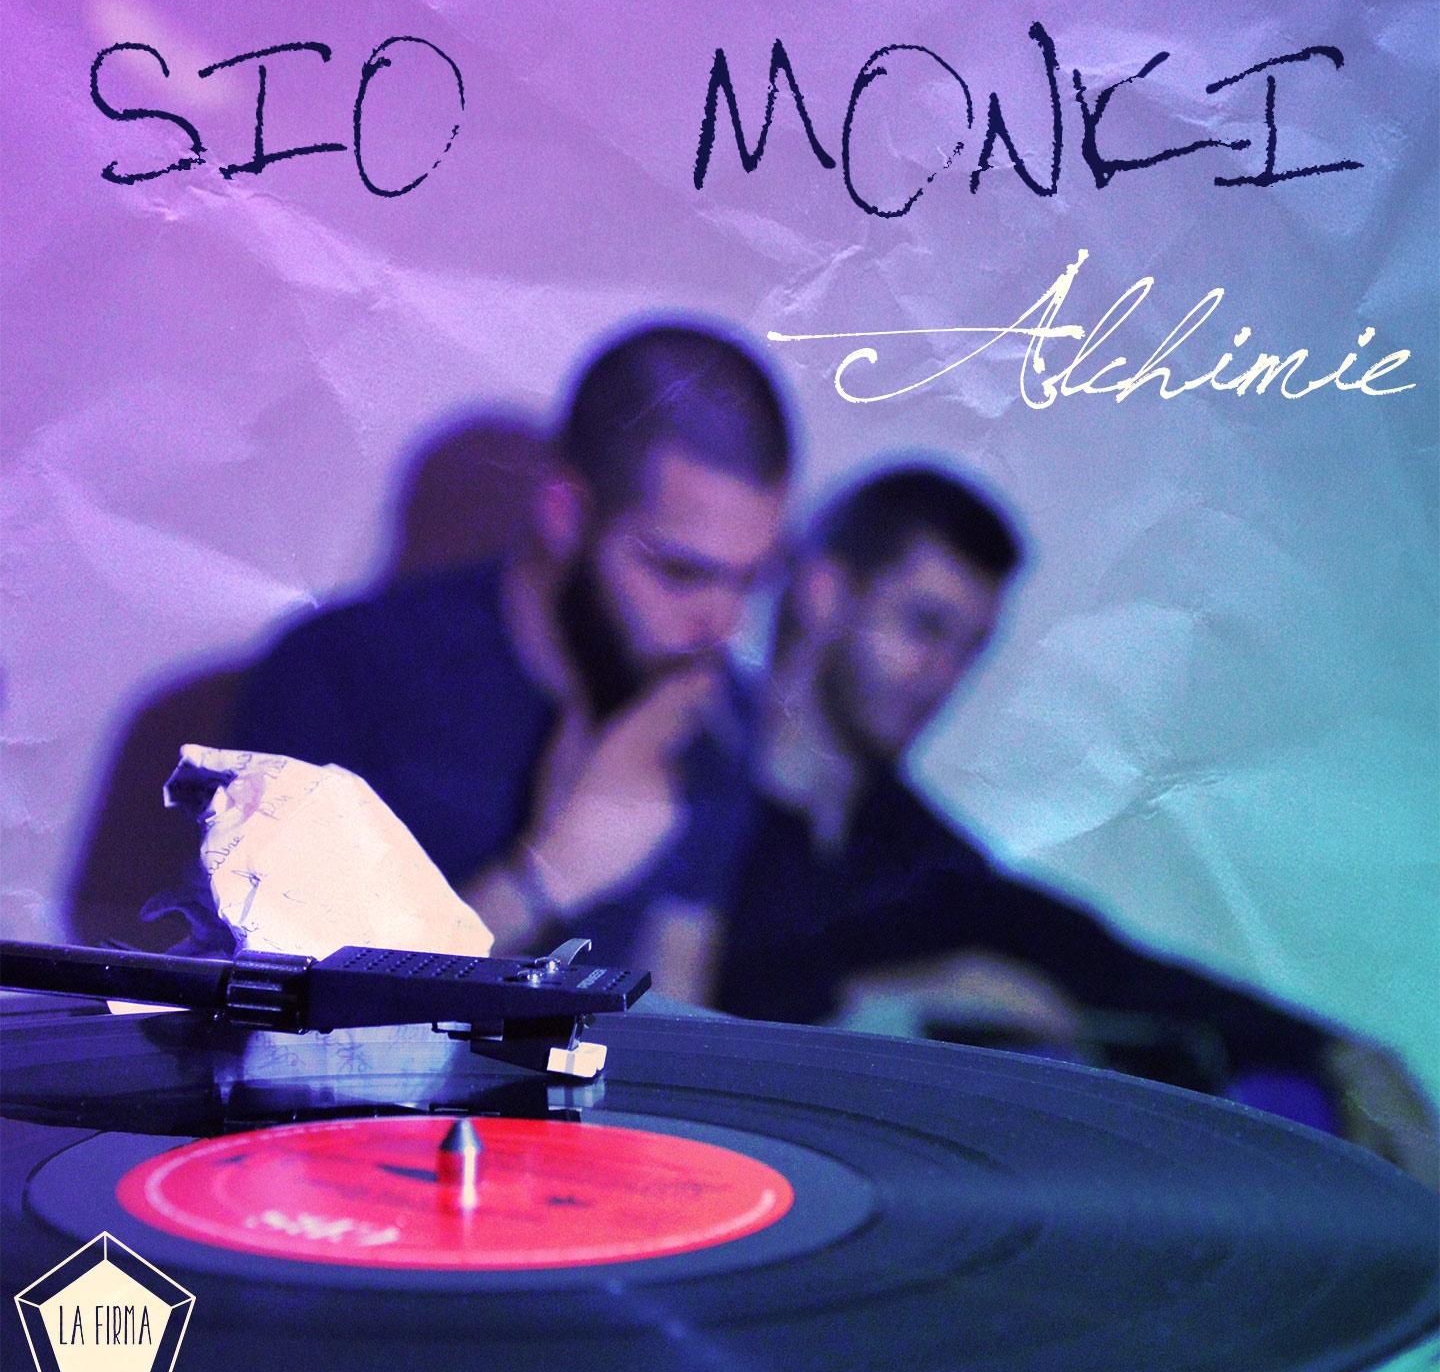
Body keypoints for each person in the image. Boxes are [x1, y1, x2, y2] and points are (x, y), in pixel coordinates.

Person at [713, 463, 1437, 1173]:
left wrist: (1340, 1052)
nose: (943, 677)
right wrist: (892, 996)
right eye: (924, 626)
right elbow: (683, 999)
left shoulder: (920, 856)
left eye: (969, 649)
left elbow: (1113, 967)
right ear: (825, 592)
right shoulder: (686, 782)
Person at [230, 320, 791, 989]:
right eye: (679, 571)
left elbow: (674, 1009)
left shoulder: (715, 714)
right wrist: (549, 875)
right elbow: (290, 1010)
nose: (724, 622)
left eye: (750, 578)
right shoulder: (340, 675)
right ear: (566, 514)